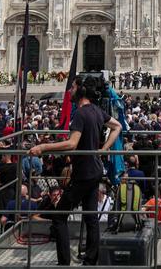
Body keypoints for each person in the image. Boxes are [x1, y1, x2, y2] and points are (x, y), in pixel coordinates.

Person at [28, 75, 121, 266]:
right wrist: (103, 150)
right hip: (95, 170)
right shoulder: (96, 110)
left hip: (83, 174)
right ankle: (90, 261)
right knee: (91, 217)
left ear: (79, 89)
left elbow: (72, 143)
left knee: (59, 217)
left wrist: (44, 147)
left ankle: (63, 263)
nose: (69, 90)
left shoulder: (79, 113)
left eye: (72, 87)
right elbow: (117, 126)